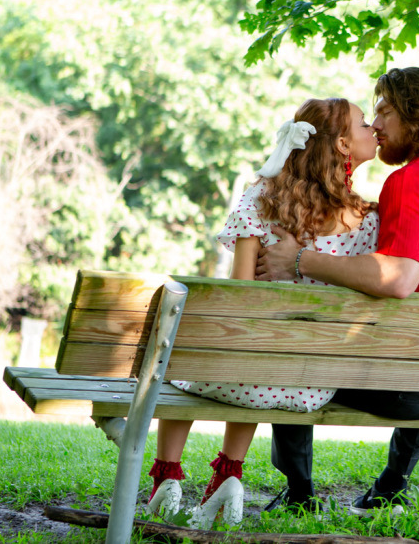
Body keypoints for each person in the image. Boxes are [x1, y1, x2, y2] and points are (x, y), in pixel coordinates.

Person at [255, 67, 419, 516]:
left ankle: (299, 493)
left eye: (385, 112)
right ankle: (390, 487)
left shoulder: (411, 181)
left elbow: (399, 277)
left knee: (292, 354)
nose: (376, 125)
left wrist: (298, 260)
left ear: (416, 116)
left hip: (414, 386)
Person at [146, 97, 380, 528]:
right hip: (310, 385)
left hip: (244, 370)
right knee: (264, 362)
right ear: (344, 145)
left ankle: (168, 475)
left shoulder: (263, 199)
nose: (374, 129)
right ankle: (227, 473)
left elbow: (241, 300)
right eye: (366, 124)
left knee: (194, 355)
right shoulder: (368, 220)